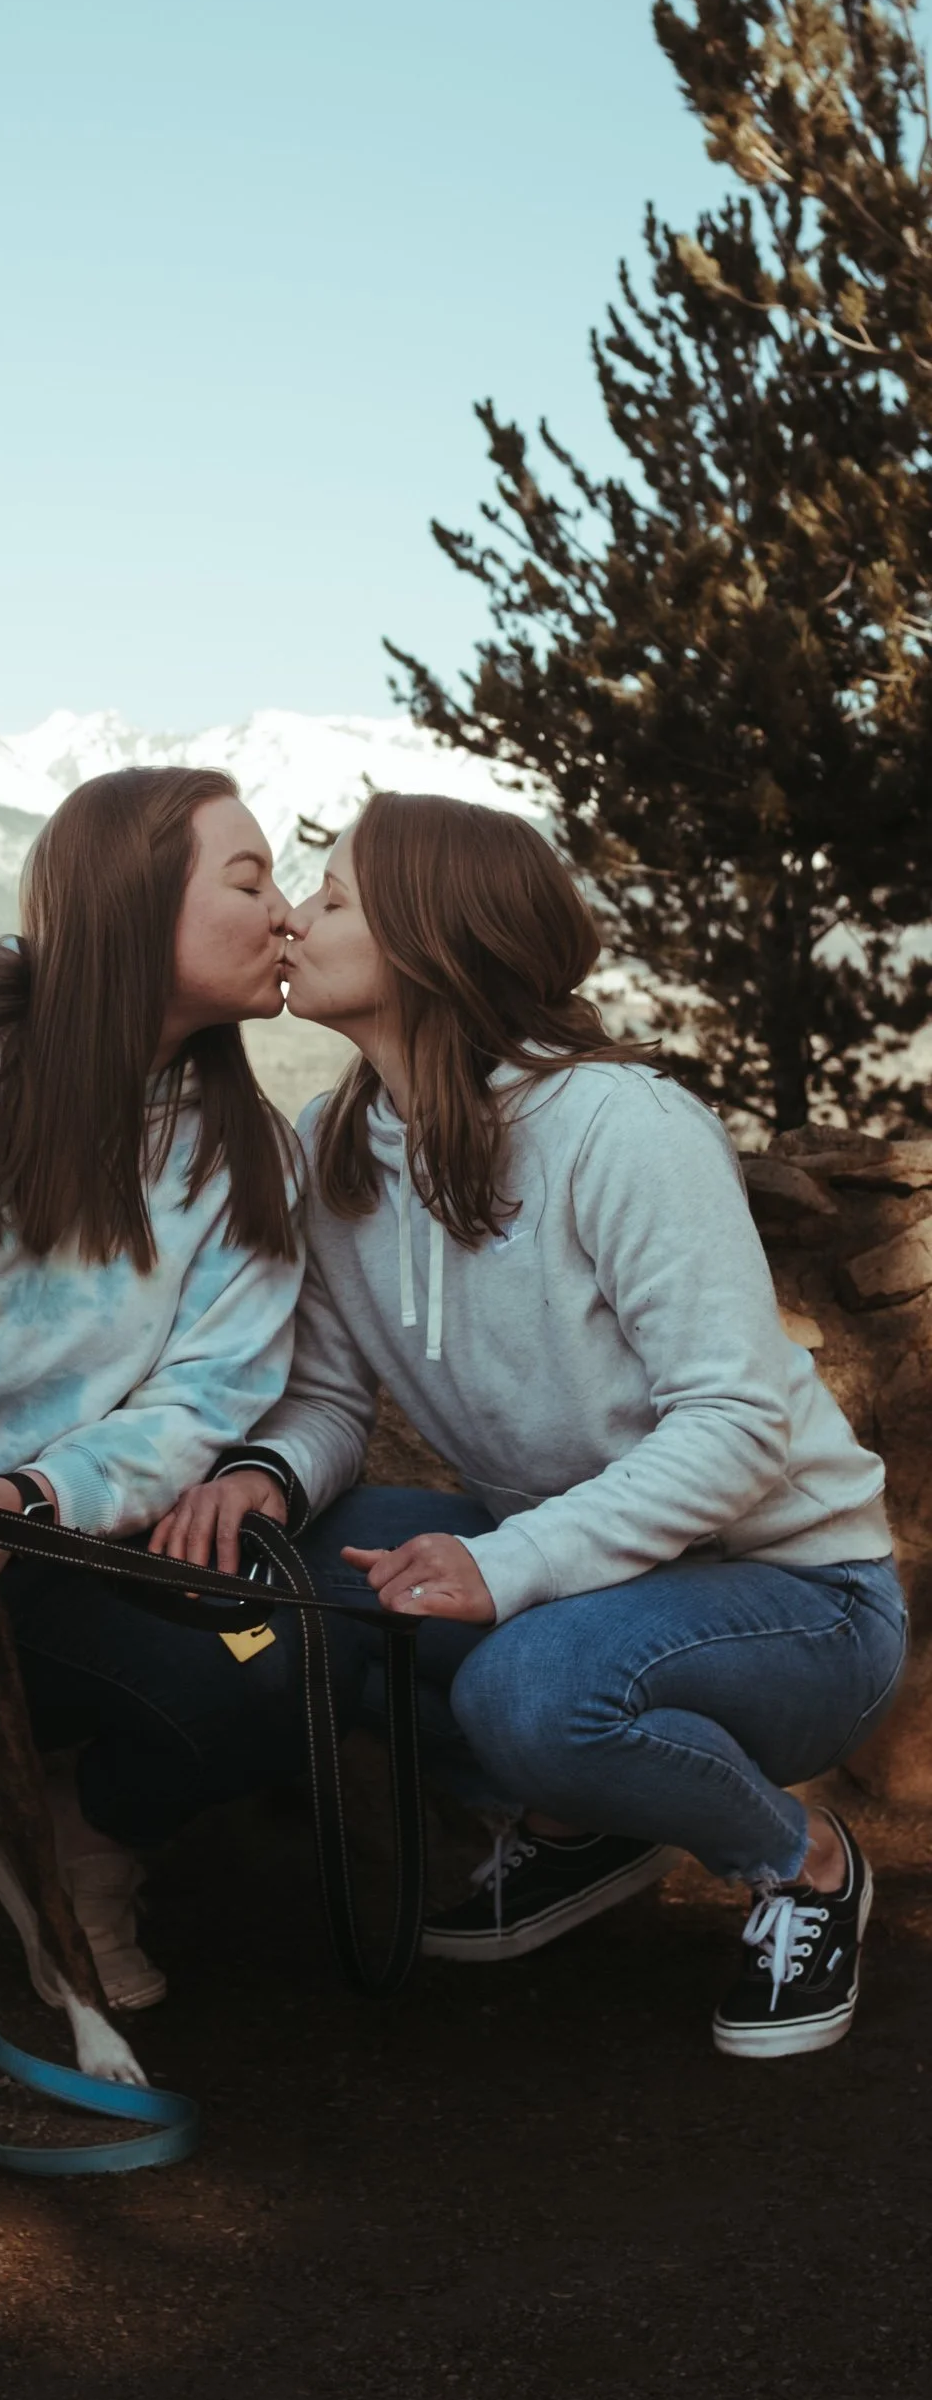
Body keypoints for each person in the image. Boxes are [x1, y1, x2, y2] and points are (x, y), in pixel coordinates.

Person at [161, 792, 904, 2057]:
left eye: (331, 899)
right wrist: (263, 1478)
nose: (292, 917)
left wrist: (502, 1569)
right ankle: (584, 1817)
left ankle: (802, 1862)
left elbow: (732, 1427)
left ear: (432, 941)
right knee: (295, 1570)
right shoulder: (334, 1143)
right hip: (584, 1578)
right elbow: (334, 1397)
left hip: (795, 1599)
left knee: (529, 1685)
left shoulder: (620, 1128)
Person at [0, 765, 305, 2008]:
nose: (285, 913)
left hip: (32, 1546)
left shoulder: (249, 1154)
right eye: (248, 880)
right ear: (132, 900)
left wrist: (17, 1506)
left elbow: (202, 1399)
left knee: (261, 1660)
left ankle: (87, 1845)